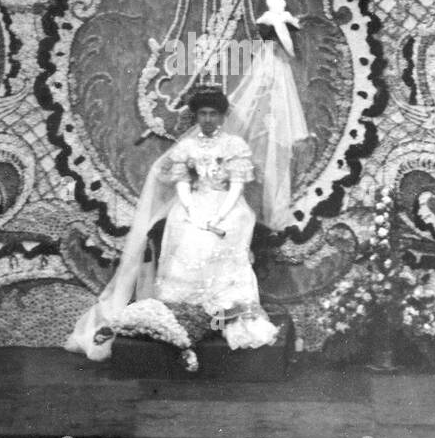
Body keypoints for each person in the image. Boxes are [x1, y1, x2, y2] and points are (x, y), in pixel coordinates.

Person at [66, 86, 283, 359]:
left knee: (225, 231)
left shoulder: (234, 146)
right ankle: (183, 309)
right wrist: (192, 210)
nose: (207, 119)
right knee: (183, 228)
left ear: (222, 116)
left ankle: (222, 305)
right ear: (196, 116)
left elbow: (236, 186)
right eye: (202, 114)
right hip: (194, 201)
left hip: (227, 205)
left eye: (213, 114)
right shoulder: (187, 147)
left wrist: (218, 215)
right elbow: (182, 184)